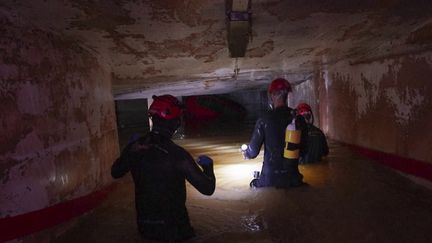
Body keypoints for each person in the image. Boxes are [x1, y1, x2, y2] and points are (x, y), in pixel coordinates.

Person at [111, 95, 216, 241]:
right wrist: (208, 167)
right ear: (175, 122)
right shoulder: (178, 155)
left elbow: (115, 172)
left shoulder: (136, 147)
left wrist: (128, 151)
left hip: (145, 228)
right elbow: (208, 188)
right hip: (176, 231)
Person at [241, 78, 308, 188]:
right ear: (287, 95)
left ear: (272, 95)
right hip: (292, 178)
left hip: (269, 179)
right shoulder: (298, 119)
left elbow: (253, 152)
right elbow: (304, 151)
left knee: (253, 185)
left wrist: (246, 153)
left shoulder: (264, 119)